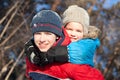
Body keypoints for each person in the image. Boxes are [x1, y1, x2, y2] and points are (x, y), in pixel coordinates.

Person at [25, 5, 104, 80]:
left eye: (78, 31)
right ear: (61, 29)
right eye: (69, 29)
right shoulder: (39, 48)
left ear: (84, 33)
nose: (73, 34)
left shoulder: (81, 50)